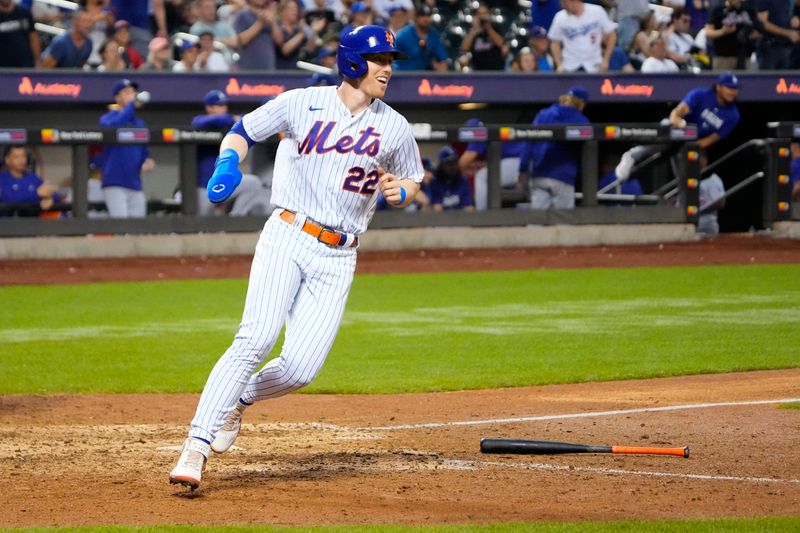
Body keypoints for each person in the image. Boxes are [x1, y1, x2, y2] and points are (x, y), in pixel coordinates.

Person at [168, 25, 423, 491]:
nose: (388, 68)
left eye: (391, 60)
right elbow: (242, 130)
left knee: (302, 368)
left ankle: (239, 398)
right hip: (288, 232)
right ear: (350, 62)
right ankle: (195, 447)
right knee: (256, 337)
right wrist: (229, 162)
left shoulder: (395, 126)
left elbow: (411, 178)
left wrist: (401, 191)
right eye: (379, 59)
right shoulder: (300, 102)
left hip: (341, 253)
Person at [616, 72, 741, 181]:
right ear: (718, 87)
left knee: (689, 174)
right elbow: (675, 114)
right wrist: (681, 125)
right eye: (729, 87)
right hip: (678, 130)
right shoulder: (701, 95)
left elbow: (711, 139)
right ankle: (631, 156)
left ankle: (682, 203)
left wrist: (689, 145)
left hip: (693, 142)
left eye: (735, 88)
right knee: (666, 128)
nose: (733, 92)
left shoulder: (733, 115)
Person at [190, 90, 271, 216]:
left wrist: (235, 119)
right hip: (203, 188)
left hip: (226, 181)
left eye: (224, 105)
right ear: (209, 107)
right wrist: (232, 118)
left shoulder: (229, 126)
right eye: (219, 105)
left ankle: (235, 218)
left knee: (253, 183)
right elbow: (198, 122)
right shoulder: (202, 123)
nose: (224, 108)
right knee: (202, 224)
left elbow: (246, 120)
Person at [518, 86, 590, 210]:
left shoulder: (543, 114)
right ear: (582, 102)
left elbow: (529, 142)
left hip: (539, 174)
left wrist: (522, 169)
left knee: (537, 223)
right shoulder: (581, 120)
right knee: (563, 223)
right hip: (563, 176)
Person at [98, 79, 155, 218]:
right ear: (117, 97)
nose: (132, 95)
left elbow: (143, 151)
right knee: (121, 227)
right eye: (127, 92)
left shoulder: (139, 123)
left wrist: (147, 159)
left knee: (138, 229)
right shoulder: (107, 119)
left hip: (135, 184)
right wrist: (131, 105)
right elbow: (118, 124)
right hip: (114, 182)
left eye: (133, 92)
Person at [459, 118, 525, 210]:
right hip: (528, 162)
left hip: (520, 162)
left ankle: (482, 215)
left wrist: (444, 173)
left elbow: (465, 161)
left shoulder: (480, 132)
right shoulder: (490, 130)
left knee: (482, 177)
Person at [547, 0, 617, 72]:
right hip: (570, 66)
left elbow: (612, 35)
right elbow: (554, 41)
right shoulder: (560, 17)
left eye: (564, 2)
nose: (562, 6)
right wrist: (559, 64)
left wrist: (606, 60)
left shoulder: (597, 11)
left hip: (595, 65)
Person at [0, 146, 58, 217]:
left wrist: (50, 199)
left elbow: (54, 195)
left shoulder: (33, 178)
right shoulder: (2, 179)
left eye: (23, 156)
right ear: (7, 160)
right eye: (16, 157)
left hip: (33, 224)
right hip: (8, 225)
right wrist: (37, 194)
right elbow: (9, 199)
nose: (21, 160)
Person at [705, 0, 760, 70]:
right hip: (723, 58)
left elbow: (760, 31)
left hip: (745, 57)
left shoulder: (749, 10)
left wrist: (750, 35)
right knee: (723, 81)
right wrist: (722, 31)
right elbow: (708, 32)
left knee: (746, 80)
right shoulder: (718, 10)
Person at [394, 2, 448, 71]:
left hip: (427, 77)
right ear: (416, 17)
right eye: (422, 15)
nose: (425, 19)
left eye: (428, 15)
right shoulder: (403, 35)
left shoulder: (435, 35)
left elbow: (442, 59)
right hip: (404, 76)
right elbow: (392, 60)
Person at [273, 0, 326, 69]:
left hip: (296, 72)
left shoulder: (297, 29)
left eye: (296, 9)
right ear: (282, 11)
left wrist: (314, 32)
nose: (295, 12)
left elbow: (309, 49)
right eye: (291, 9)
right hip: (279, 71)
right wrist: (302, 34)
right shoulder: (277, 27)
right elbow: (285, 50)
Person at [459, 2, 508, 71]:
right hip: (478, 72)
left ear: (489, 15)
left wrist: (488, 28)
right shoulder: (473, 31)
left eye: (485, 13)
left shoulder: (496, 28)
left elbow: (502, 44)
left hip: (496, 71)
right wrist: (474, 30)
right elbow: (464, 48)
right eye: (480, 14)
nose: (482, 17)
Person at [232, 0, 278, 71]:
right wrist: (261, 22)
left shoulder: (270, 15)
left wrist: (273, 23)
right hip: (248, 68)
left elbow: (279, 42)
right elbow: (241, 40)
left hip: (268, 67)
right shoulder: (242, 15)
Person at [430, 147, 475, 211]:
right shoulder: (434, 182)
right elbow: (437, 209)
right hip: (441, 219)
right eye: (449, 164)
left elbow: (468, 207)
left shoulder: (462, 180)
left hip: (461, 218)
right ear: (441, 165)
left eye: (454, 163)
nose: (452, 167)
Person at [756, 0, 799, 69]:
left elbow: (785, 17)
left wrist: (793, 20)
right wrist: (787, 33)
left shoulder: (787, 1)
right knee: (767, 78)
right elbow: (762, 24)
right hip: (770, 48)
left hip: (787, 47)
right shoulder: (764, 1)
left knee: (786, 77)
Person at [0, 0, 41, 68]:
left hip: (25, 64)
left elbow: (33, 37)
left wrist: (38, 60)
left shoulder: (24, 13)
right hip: (3, 67)